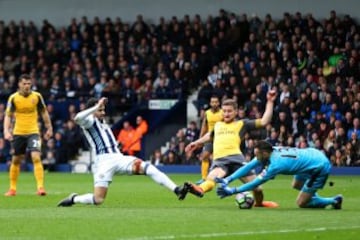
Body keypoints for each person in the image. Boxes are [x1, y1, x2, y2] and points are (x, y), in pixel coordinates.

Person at [58, 97, 187, 207]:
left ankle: (176, 189)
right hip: (103, 163)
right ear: (92, 111)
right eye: (100, 110)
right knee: (98, 200)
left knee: (148, 168)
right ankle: (74, 198)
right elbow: (76, 118)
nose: (103, 112)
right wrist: (95, 106)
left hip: (118, 158)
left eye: (103, 109)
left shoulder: (103, 122)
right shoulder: (89, 121)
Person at [182, 90, 278, 208]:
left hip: (237, 160)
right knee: (212, 178)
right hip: (220, 161)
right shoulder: (218, 125)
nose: (226, 114)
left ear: (236, 112)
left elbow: (264, 121)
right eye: (224, 111)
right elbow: (209, 136)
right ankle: (199, 189)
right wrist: (196, 143)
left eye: (229, 111)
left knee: (257, 188)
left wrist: (270, 102)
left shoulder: (242, 124)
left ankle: (259, 203)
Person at [216, 140, 343, 209]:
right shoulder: (271, 150)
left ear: (264, 154)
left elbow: (255, 183)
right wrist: (228, 179)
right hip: (310, 157)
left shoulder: (275, 165)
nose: (256, 157)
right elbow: (249, 166)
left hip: (318, 166)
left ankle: (334, 200)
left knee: (301, 203)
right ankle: (310, 195)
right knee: (296, 184)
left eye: (257, 155)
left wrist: (233, 191)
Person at [3, 74, 53, 196]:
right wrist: (6, 130)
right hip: (18, 132)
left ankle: (40, 188)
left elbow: (44, 112)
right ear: (19, 84)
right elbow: (8, 116)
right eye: (24, 83)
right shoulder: (13, 98)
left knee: (36, 157)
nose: (27, 86)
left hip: (33, 132)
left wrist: (49, 128)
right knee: (16, 160)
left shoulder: (37, 96)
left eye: (29, 83)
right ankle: (12, 189)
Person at [197, 95, 223, 184]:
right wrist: (200, 139)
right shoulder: (207, 113)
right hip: (210, 139)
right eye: (213, 102)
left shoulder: (223, 113)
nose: (214, 104)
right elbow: (204, 126)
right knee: (204, 156)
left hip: (220, 139)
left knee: (219, 159)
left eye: (216, 102)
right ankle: (204, 178)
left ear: (219, 103)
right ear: (210, 103)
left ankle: (219, 178)